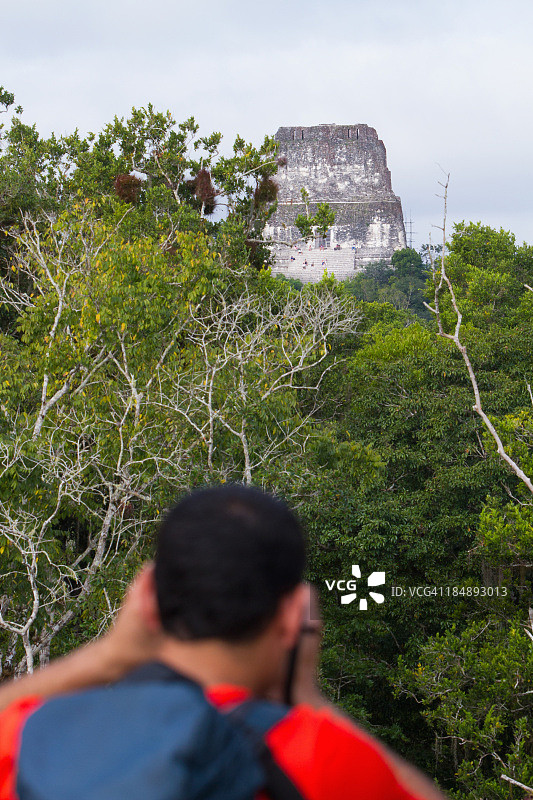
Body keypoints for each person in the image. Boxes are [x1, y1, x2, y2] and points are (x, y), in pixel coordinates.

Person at [0, 485, 447, 800]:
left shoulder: (36, 739)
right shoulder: (321, 758)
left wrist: (109, 657)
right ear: (294, 616)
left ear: (148, 601)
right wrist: (308, 697)